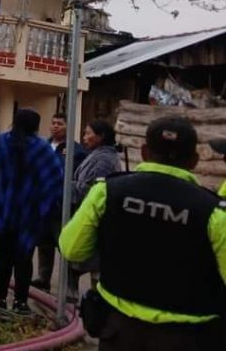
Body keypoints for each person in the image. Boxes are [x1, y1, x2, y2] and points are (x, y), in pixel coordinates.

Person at [59, 116, 226, 350]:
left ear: (145, 152)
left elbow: (72, 248)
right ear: (194, 161)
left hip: (119, 331)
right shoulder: (214, 211)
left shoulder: (107, 191)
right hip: (188, 337)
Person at [0, 109, 63, 316]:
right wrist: (43, 203)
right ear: (36, 126)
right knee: (24, 257)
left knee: (3, 256)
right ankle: (20, 302)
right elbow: (55, 178)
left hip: (4, 209)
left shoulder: (1, 142)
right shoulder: (42, 148)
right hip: (29, 212)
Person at [65, 119, 122, 300]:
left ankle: (92, 304)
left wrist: (66, 186)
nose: (84, 137)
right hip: (89, 214)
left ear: (101, 136)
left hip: (94, 217)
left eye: (88, 133)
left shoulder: (104, 159)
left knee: (91, 264)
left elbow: (91, 189)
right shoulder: (97, 154)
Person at [32, 112, 88, 291]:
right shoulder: (43, 145)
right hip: (43, 204)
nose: (55, 126)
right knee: (44, 243)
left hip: (62, 205)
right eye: (53, 123)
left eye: (60, 124)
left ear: (68, 127)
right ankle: (43, 278)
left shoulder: (75, 150)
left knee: (65, 245)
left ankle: (70, 286)